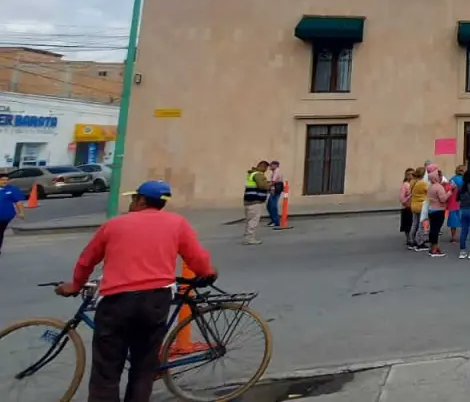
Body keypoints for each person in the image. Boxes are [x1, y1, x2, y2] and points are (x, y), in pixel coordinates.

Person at [55, 181, 216, 402]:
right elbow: (198, 259)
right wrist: (208, 272)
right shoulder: (177, 223)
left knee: (106, 370)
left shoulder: (114, 225)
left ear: (141, 200)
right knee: (144, 367)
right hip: (156, 301)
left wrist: (75, 285)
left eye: (133, 198)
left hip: (116, 302)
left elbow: (86, 260)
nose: (131, 202)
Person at [422, 169, 449, 257]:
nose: (442, 177)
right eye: (440, 176)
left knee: (433, 228)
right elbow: (443, 199)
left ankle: (432, 247)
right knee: (436, 230)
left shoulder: (431, 186)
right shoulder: (439, 187)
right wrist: (449, 192)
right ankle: (434, 249)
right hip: (439, 210)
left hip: (431, 209)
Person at [243, 160, 271, 245]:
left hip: (248, 200)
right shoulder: (258, 175)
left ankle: (247, 236)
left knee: (249, 220)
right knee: (253, 220)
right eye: (266, 168)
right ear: (263, 167)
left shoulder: (252, 174)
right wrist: (270, 185)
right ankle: (250, 238)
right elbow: (262, 186)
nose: (266, 170)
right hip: (255, 201)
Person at [0, 169, 27, 256]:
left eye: (6, 180)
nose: (4, 182)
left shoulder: (12, 189)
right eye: (2, 180)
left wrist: (21, 212)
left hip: (5, 216)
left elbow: (18, 202)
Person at [407, 167, 429, 250]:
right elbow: (429, 191)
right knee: (421, 225)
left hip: (414, 205)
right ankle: (419, 242)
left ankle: (411, 241)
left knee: (414, 224)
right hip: (421, 205)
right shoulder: (422, 183)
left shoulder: (413, 182)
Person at [447, 164, 464, 245]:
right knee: (463, 220)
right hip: (461, 202)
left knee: (453, 220)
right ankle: (462, 236)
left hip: (452, 201)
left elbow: (448, 188)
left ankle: (453, 237)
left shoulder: (452, 179)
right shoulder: (464, 180)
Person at [265, 161, 285, 229]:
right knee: (269, 205)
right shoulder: (274, 172)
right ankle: (273, 220)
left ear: (276, 165)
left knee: (272, 206)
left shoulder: (277, 171)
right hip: (274, 190)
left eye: (271, 165)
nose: (270, 166)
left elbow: (273, 182)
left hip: (276, 190)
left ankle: (276, 221)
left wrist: (266, 186)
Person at [398, 168, 415, 248]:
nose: (410, 176)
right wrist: (406, 202)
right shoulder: (405, 185)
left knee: (413, 223)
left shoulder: (415, 183)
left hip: (414, 207)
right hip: (407, 207)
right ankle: (408, 239)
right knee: (407, 224)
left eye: (412, 174)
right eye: (408, 175)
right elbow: (401, 198)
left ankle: (413, 238)